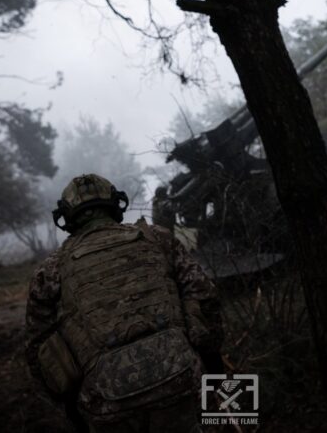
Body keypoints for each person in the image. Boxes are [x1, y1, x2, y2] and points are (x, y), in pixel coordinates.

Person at [25, 174, 224, 432]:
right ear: (115, 204)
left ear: (67, 217)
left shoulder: (50, 271)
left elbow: (39, 349)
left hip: (106, 402)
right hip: (182, 378)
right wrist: (212, 364)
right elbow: (204, 297)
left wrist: (71, 407)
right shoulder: (158, 239)